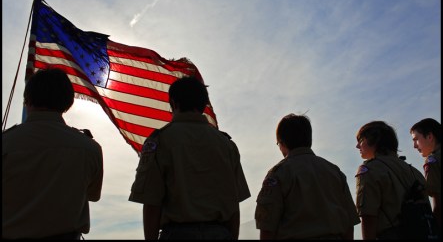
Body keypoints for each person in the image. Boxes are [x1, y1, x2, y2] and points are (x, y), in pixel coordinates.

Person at [128, 76, 251, 240]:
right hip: (220, 233)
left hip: (178, 234)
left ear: (173, 103)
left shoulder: (161, 141)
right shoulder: (226, 144)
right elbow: (234, 204)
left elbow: (152, 202)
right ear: (203, 105)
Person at [2, 68, 103, 240]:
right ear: (68, 102)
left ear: (27, 100)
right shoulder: (89, 148)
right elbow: (93, 195)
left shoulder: (6, 143)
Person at [255, 113, 360, 239]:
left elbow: (267, 226)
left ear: (282, 143)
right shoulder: (334, 171)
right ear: (309, 139)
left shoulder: (279, 173)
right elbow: (349, 223)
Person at [355, 120, 429, 239]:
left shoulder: (369, 169)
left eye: (361, 140)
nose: (357, 146)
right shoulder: (415, 172)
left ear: (375, 140)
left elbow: (368, 216)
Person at [410, 118, 441, 229]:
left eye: (416, 139)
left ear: (429, 137)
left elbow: (439, 202)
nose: (414, 145)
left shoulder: (433, 160)